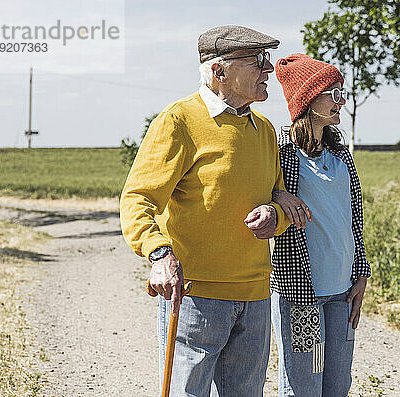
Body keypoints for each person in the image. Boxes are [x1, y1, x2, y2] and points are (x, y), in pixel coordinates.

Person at [119, 25, 292, 397]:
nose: (269, 70)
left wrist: (275, 215)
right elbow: (138, 198)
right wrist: (159, 253)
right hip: (196, 296)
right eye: (258, 62)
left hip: (256, 295)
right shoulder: (178, 120)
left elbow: (280, 201)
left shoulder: (263, 129)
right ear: (220, 72)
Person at [269, 53, 371, 397]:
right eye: (333, 92)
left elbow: (354, 219)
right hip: (302, 295)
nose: (341, 99)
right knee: (304, 388)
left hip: (343, 294)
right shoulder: (283, 158)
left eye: (342, 91)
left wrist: (362, 272)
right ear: (308, 99)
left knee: (338, 386)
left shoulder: (341, 156)